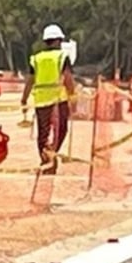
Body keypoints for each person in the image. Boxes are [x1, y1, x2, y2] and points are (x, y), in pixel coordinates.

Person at [20, 23, 76, 173]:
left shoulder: (36, 58)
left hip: (41, 101)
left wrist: (24, 98)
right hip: (59, 100)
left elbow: (30, 80)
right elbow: (68, 78)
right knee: (61, 129)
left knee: (43, 133)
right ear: (58, 41)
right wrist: (73, 96)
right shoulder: (62, 56)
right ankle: (51, 156)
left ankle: (46, 159)